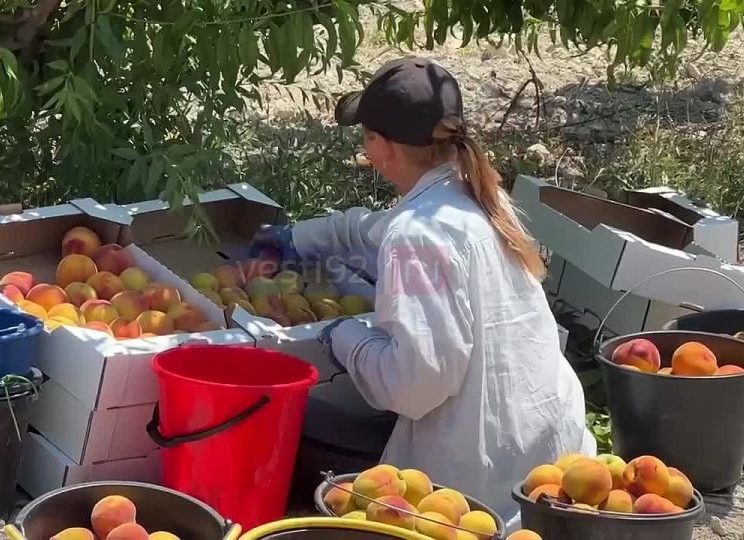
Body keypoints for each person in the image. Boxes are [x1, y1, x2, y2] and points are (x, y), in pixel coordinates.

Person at [251, 56, 595, 530]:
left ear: (384, 147)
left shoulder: (419, 234)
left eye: (367, 139)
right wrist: (298, 240)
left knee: (299, 424)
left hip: (476, 488)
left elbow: (414, 385)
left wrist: (345, 335)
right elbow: (370, 229)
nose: (367, 152)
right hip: (551, 454)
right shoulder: (479, 198)